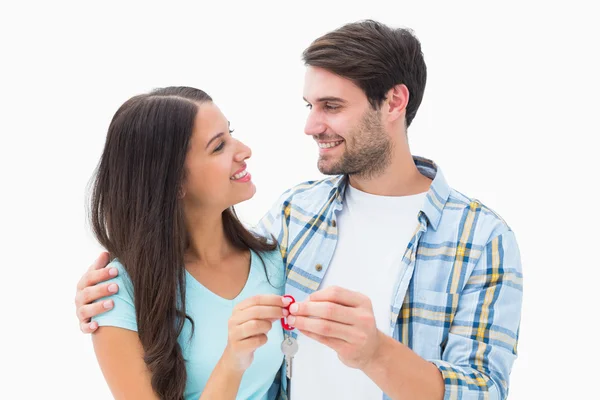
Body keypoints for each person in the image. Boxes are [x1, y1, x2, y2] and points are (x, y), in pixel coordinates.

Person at [76, 20, 523, 400]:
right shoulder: (295, 213)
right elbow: (200, 268)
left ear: (394, 102)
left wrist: (376, 353)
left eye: (331, 106)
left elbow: (483, 390)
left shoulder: (480, 238)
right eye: (310, 106)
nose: (311, 126)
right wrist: (111, 292)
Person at [83, 86, 291, 400]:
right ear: (174, 180)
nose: (244, 150)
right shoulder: (114, 296)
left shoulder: (275, 258)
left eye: (231, 134)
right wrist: (232, 362)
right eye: (219, 146)